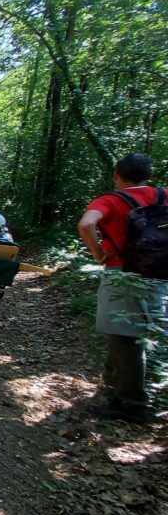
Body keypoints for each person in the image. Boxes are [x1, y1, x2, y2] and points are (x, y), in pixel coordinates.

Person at [77, 153, 167, 423]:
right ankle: (116, 385)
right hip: (160, 273)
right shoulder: (163, 196)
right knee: (145, 333)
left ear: (116, 175)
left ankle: (130, 403)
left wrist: (98, 254)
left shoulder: (111, 201)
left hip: (122, 272)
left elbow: (86, 224)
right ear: (150, 175)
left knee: (123, 336)